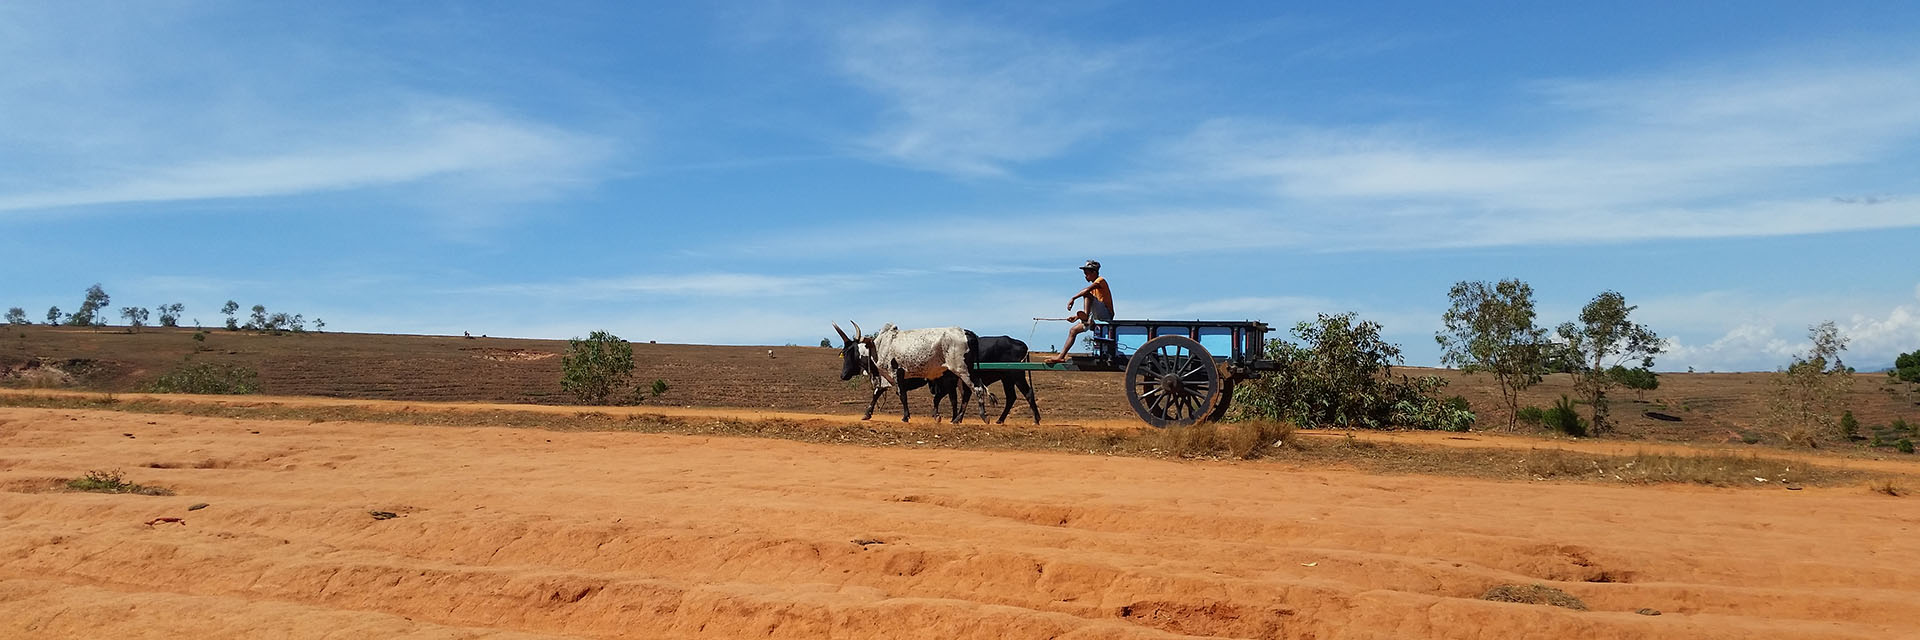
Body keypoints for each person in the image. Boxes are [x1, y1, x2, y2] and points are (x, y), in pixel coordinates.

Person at [1046, 260, 1114, 363]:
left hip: (1105, 315)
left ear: (1094, 273)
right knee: (1073, 330)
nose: (1085, 276)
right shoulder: (1093, 290)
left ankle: (1086, 317)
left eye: (1087, 273)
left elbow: (1086, 292)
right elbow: (1091, 305)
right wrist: (1077, 317)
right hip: (1095, 316)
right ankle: (1061, 356)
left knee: (1086, 294)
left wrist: (1073, 298)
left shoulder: (1100, 280)